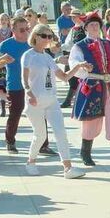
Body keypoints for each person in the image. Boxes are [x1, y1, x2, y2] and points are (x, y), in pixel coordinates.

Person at [68, 12, 110, 169]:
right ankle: (85, 152)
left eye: (97, 25)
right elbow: (74, 64)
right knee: (91, 120)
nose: (94, 27)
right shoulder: (79, 46)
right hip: (92, 86)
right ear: (85, 28)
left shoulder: (108, 44)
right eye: (91, 25)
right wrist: (82, 67)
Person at [21, 24, 84, 179]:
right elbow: (24, 77)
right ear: (35, 36)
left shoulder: (48, 57)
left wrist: (78, 66)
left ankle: (68, 168)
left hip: (51, 100)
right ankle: (31, 162)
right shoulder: (28, 55)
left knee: (61, 133)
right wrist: (29, 92)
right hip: (35, 101)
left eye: (50, 36)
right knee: (40, 135)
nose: (48, 39)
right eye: (45, 36)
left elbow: (63, 76)